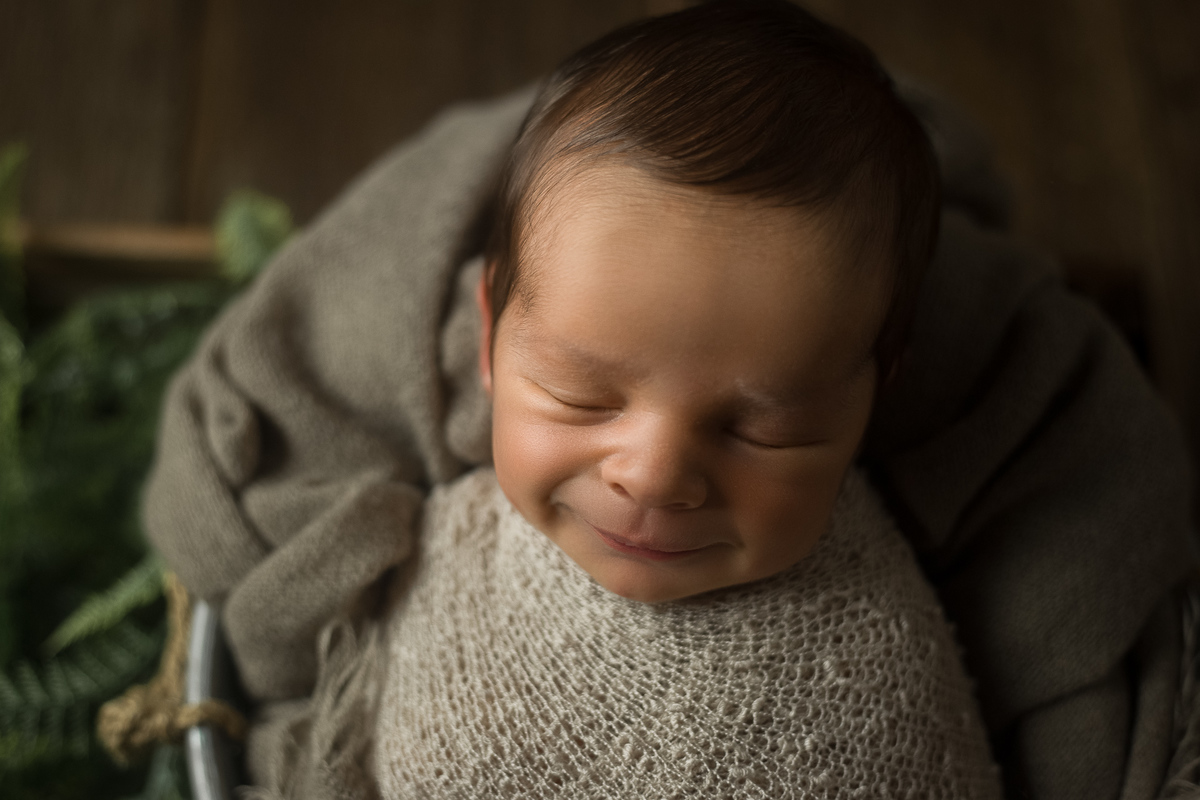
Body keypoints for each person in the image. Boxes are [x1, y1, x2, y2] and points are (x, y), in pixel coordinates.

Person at [143, 1, 1197, 798]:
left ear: (878, 384)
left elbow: (1087, 597)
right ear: (490, 337)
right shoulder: (391, 362)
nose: (653, 471)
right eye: (581, 390)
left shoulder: (999, 415)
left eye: (759, 421)